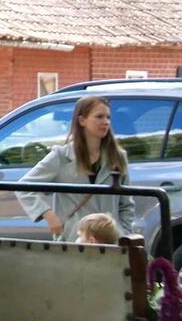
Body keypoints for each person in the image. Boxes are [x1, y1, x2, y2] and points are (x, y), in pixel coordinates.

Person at [16, 95, 138, 242]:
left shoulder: (117, 156)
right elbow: (24, 187)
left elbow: (126, 204)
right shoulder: (61, 156)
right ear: (82, 120)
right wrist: (49, 216)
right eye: (99, 117)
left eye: (108, 117)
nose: (105, 122)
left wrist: (123, 234)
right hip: (75, 238)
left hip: (110, 241)